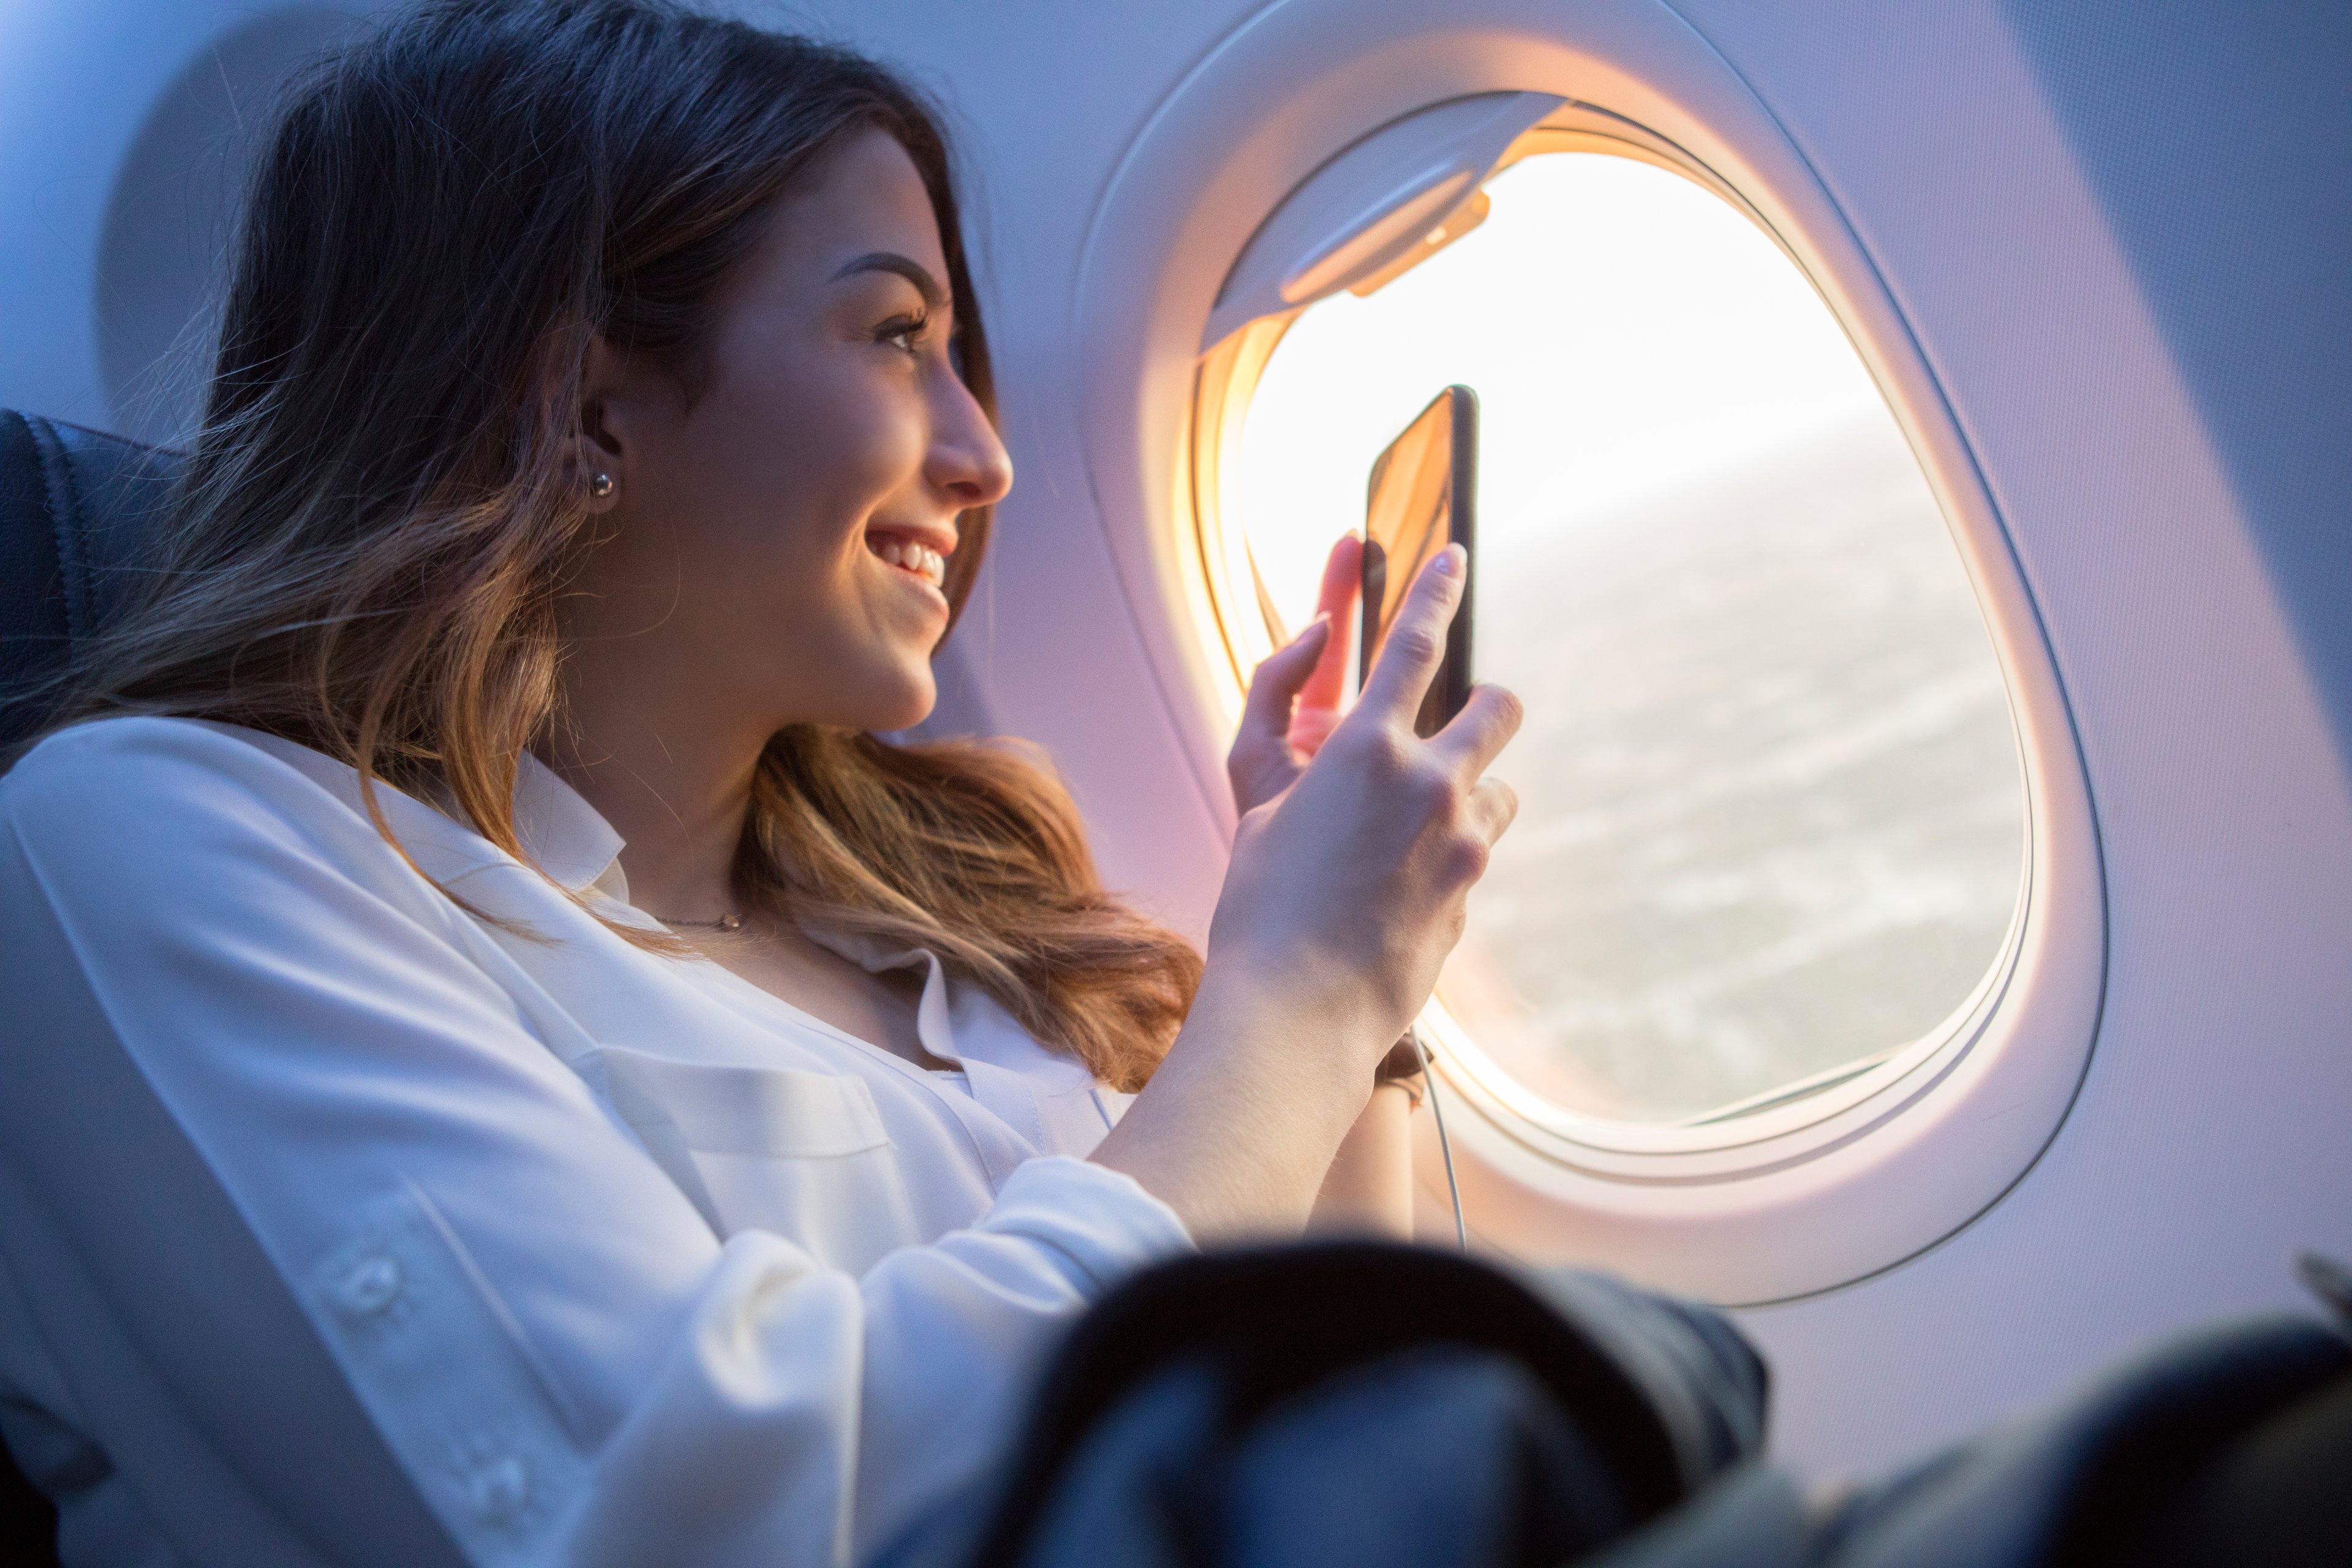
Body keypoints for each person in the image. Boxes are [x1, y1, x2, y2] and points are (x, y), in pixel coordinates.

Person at [0, 2, 1521, 1563]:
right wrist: (1288, 998)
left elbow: (1346, 1424)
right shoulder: (149, 837)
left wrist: (1363, 1005)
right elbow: (694, 1508)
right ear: (589, 405)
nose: (985, 454)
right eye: (895, 337)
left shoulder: (946, 916)